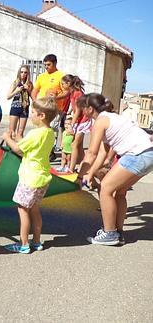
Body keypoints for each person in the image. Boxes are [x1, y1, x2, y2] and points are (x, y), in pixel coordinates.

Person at [77, 93, 153, 246]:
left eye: (82, 108)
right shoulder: (111, 118)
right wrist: (90, 173)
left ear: (90, 109)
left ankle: (110, 233)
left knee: (105, 188)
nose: (80, 111)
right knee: (120, 192)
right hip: (148, 153)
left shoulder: (100, 122)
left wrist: (80, 176)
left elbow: (91, 153)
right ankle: (117, 232)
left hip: (136, 154)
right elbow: (103, 154)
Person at [1, 97, 58, 253]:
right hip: (42, 178)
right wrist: (19, 139)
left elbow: (19, 150)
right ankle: (37, 241)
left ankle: (24, 244)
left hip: (30, 179)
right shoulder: (50, 132)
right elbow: (30, 145)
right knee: (34, 209)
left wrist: (7, 138)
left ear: (41, 116)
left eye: (33, 112)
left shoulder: (35, 133)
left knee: (23, 209)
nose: (30, 114)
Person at [67, 77, 89, 172]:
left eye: (63, 84)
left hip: (84, 120)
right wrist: (70, 110)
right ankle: (83, 167)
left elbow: (78, 112)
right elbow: (75, 108)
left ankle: (71, 169)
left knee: (74, 144)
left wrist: (71, 125)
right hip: (80, 120)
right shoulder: (72, 93)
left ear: (69, 83)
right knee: (79, 146)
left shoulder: (78, 94)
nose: (62, 86)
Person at [7, 65, 33, 140]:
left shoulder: (30, 84)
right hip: (15, 107)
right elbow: (8, 97)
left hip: (25, 108)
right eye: (21, 72)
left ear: (28, 74)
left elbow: (33, 97)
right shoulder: (15, 83)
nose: (23, 74)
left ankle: (17, 150)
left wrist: (28, 90)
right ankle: (9, 149)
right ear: (19, 73)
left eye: (25, 72)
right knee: (11, 132)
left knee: (20, 132)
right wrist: (16, 91)